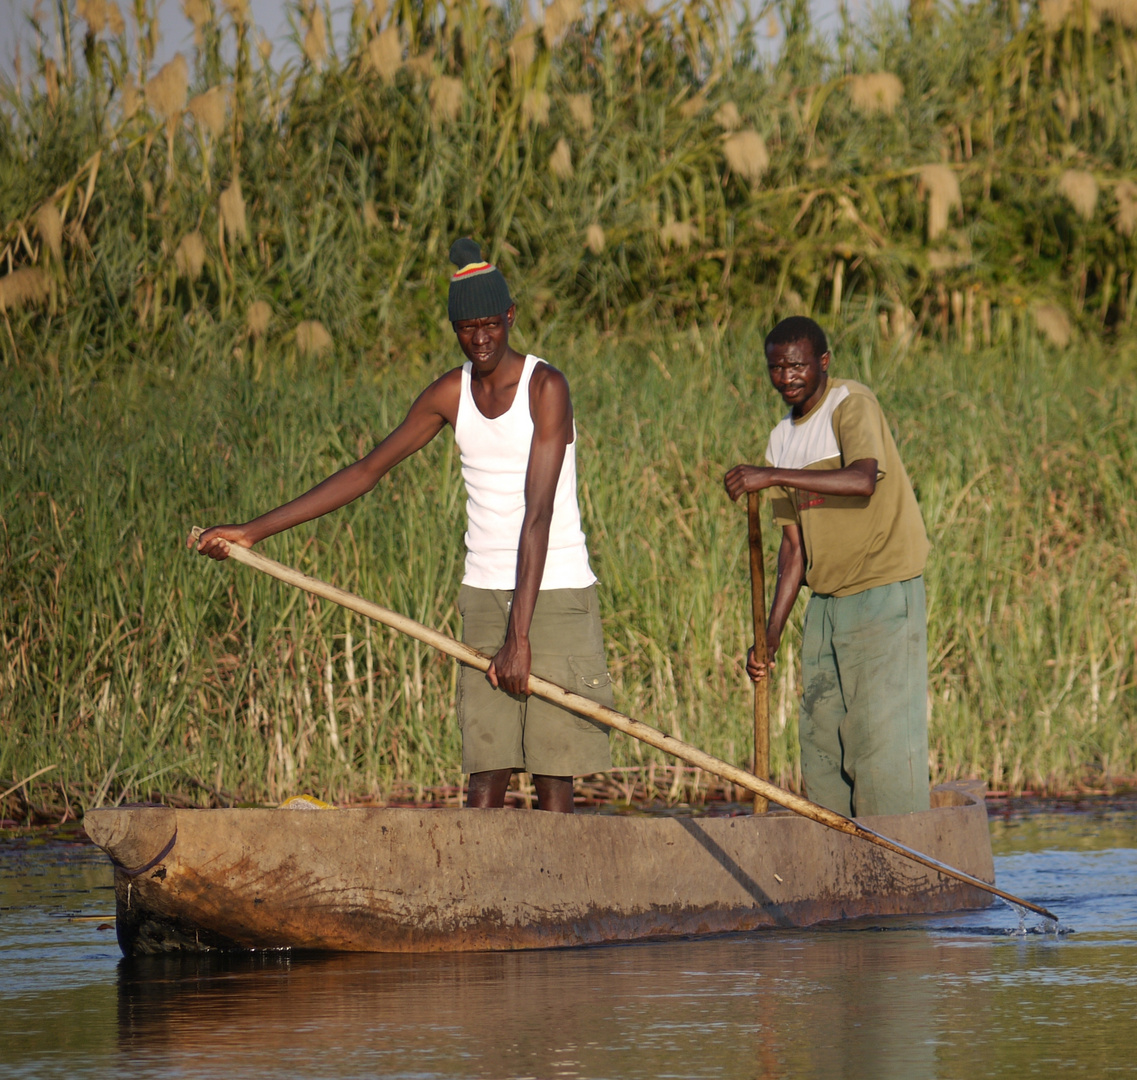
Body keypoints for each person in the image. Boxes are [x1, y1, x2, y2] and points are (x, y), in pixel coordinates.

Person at [190, 237, 613, 812]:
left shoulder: (546, 388)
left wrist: (520, 639)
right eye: (467, 328)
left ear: (511, 317)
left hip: (556, 590)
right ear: (454, 328)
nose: (481, 339)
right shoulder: (449, 393)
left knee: (552, 776)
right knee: (485, 776)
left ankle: (558, 897)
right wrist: (252, 531)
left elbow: (536, 516)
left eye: (491, 324)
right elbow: (366, 471)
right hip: (484, 594)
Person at [724, 316, 930, 817]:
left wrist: (768, 475)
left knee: (878, 741)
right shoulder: (781, 438)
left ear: (822, 362)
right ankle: (839, 854)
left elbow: (863, 479)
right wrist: (769, 635)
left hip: (881, 590)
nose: (787, 377)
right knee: (821, 743)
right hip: (826, 603)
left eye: (797, 365)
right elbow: (792, 549)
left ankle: (902, 860)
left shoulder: (850, 404)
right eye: (776, 368)